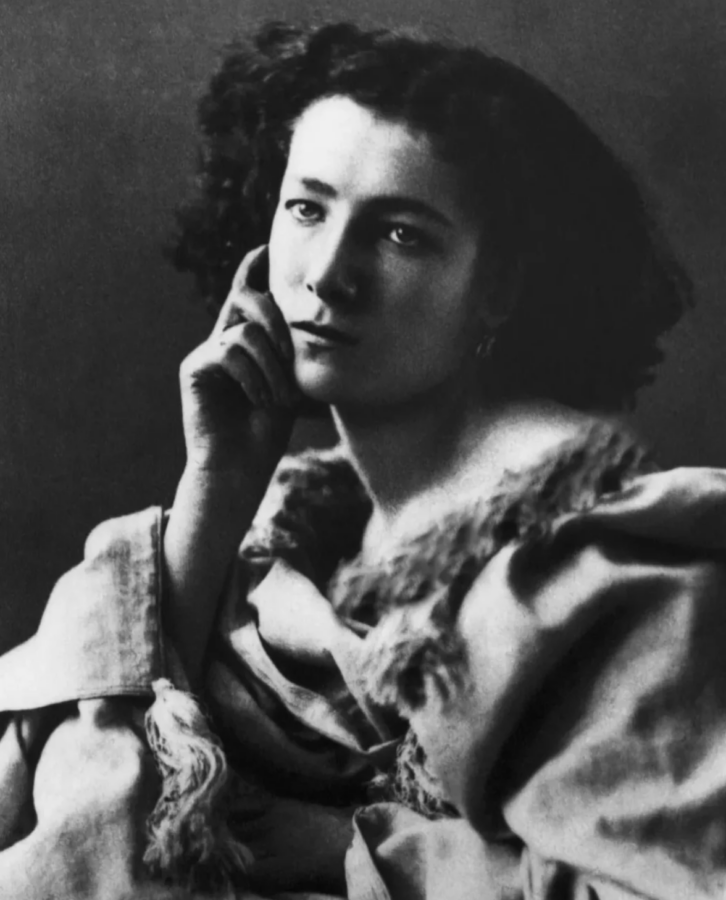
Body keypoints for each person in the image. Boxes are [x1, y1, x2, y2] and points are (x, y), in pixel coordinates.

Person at [1, 18, 725, 900]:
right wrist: (217, 487)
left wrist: (347, 846)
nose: (327, 274)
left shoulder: (596, 568)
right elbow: (99, 783)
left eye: (400, 235)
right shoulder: (294, 531)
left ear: (499, 288)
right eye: (307, 209)